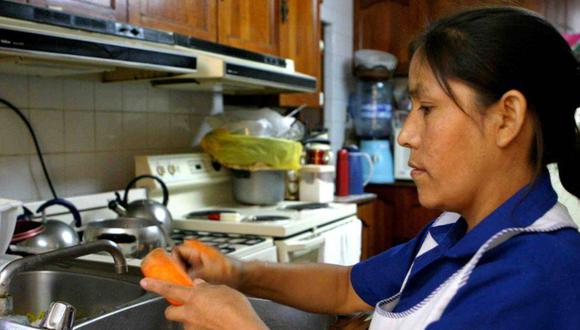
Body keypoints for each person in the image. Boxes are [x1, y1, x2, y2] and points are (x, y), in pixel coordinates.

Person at [140, 6, 580, 330]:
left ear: (506, 118)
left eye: (426, 107)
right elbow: (345, 288)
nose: (405, 134)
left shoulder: (537, 276)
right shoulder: (456, 229)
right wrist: (239, 274)